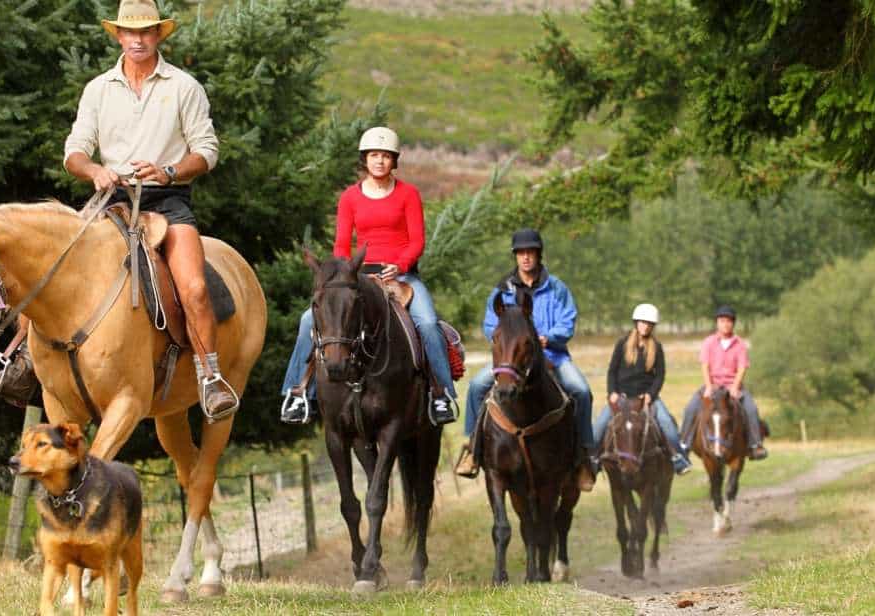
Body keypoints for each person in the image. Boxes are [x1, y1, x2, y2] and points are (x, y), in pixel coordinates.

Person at [0, 0, 238, 418]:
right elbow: (74, 151)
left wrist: (168, 171)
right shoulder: (98, 88)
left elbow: (207, 151)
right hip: (110, 201)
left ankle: (209, 377)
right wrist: (95, 170)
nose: (137, 39)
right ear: (118, 35)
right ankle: (17, 362)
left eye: (146, 31)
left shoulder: (184, 86)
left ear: (157, 35)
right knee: (50, 269)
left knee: (195, 288)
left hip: (167, 201)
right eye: (130, 32)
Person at [279, 127, 459, 426]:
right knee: (308, 321)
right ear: (365, 159)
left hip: (401, 277)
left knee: (427, 323)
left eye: (386, 156)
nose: (379, 161)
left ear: (394, 160)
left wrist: (399, 266)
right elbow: (340, 244)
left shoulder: (408, 194)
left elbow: (417, 241)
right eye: (374, 155)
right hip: (359, 276)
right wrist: (346, 270)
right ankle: (297, 393)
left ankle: (441, 395)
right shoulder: (349, 197)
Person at [454, 229, 596, 491]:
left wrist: (548, 338)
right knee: (476, 387)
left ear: (538, 255)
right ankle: (472, 451)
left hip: (552, 355)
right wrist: (509, 340)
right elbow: (489, 325)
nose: (526, 258)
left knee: (582, 391)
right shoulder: (502, 289)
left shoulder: (557, 288)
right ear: (516, 257)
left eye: (530, 252)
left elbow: (568, 320)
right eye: (521, 253)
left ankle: (585, 457)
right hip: (512, 360)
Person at [591, 304, 691, 474]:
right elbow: (612, 370)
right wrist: (612, 392)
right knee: (598, 427)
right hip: (621, 397)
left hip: (645, 397)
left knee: (667, 424)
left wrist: (651, 395)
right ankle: (592, 460)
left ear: (653, 326)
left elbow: (660, 375)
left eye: (649, 324)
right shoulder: (622, 344)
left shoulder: (656, 347)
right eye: (642, 322)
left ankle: (678, 458)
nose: (645, 326)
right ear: (636, 323)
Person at [680, 306, 768, 460]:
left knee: (751, 409)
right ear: (717, 323)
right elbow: (705, 365)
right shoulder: (709, 342)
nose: (725, 324)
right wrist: (708, 386)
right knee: (690, 408)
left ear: (733, 324)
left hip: (732, 386)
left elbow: (742, 367)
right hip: (712, 385)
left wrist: (735, 386)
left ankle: (755, 445)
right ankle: (684, 445)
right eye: (722, 321)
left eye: (728, 321)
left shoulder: (739, 344)